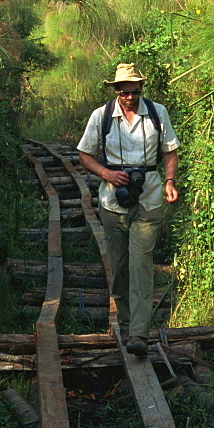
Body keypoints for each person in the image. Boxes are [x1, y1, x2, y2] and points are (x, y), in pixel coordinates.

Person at [77, 63, 180, 356]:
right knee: (121, 267)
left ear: (141, 90)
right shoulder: (102, 116)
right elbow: (84, 155)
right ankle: (125, 322)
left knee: (141, 264)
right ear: (115, 90)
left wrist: (169, 180)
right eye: (124, 92)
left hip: (148, 196)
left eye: (135, 91)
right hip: (113, 201)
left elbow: (169, 150)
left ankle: (139, 334)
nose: (130, 97)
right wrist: (107, 174)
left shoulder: (158, 113)